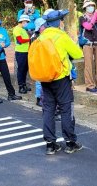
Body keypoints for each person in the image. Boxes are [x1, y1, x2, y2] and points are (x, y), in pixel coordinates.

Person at [35, 9, 84, 155]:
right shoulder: (61, 36)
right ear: (58, 23)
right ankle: (70, 143)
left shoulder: (41, 37)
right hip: (61, 78)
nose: (63, 22)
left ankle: (50, 144)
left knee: (48, 109)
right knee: (66, 109)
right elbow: (78, 53)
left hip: (45, 78)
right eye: (62, 20)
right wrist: (78, 44)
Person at [80, 0, 97, 94]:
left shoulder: (96, 16)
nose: (91, 7)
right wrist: (95, 15)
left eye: (92, 5)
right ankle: (89, 85)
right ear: (85, 7)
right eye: (89, 6)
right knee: (88, 65)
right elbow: (88, 27)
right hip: (87, 43)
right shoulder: (82, 18)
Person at [14, 14, 32, 94]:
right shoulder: (17, 29)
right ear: (23, 21)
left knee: (25, 69)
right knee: (21, 70)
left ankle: (24, 85)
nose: (27, 23)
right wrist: (29, 39)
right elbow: (20, 40)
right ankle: (20, 86)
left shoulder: (23, 29)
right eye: (26, 21)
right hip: (20, 52)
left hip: (26, 52)